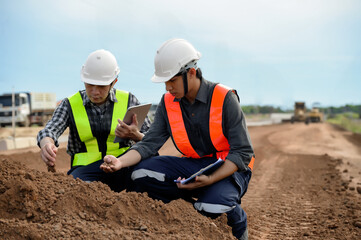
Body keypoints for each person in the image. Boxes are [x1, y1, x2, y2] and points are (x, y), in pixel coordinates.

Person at [100, 39, 255, 239]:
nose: (167, 88)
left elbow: (242, 152)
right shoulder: (168, 103)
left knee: (210, 206)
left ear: (191, 72)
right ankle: (189, 207)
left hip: (229, 168)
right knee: (139, 174)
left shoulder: (225, 98)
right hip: (194, 166)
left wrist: (208, 179)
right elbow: (149, 143)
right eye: (165, 82)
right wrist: (119, 162)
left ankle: (234, 216)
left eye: (172, 80)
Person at [37, 49, 151, 192]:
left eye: (101, 86)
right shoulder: (70, 104)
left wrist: (136, 135)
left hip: (123, 165)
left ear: (113, 82)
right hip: (85, 172)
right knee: (76, 191)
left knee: (148, 173)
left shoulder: (129, 100)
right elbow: (49, 131)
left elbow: (151, 141)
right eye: (89, 84)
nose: (95, 92)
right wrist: (46, 144)